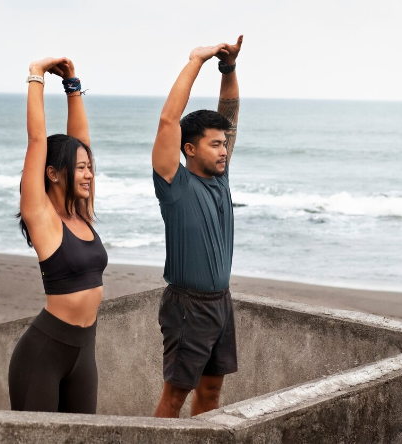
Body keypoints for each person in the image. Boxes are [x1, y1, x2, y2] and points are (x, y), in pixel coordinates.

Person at [8, 56, 107, 413]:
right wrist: (36, 75)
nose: (89, 174)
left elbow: (80, 143)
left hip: (85, 353)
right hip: (43, 355)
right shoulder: (42, 217)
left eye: (90, 168)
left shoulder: (80, 212)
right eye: (80, 169)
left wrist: (73, 86)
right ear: (52, 173)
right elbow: (37, 140)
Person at [152, 35, 243, 418]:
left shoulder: (221, 178)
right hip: (188, 305)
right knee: (175, 397)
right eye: (214, 144)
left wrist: (228, 67)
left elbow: (230, 110)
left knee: (211, 392)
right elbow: (169, 120)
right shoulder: (174, 183)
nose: (224, 150)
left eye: (225, 143)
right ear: (189, 149)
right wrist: (196, 60)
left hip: (221, 302)